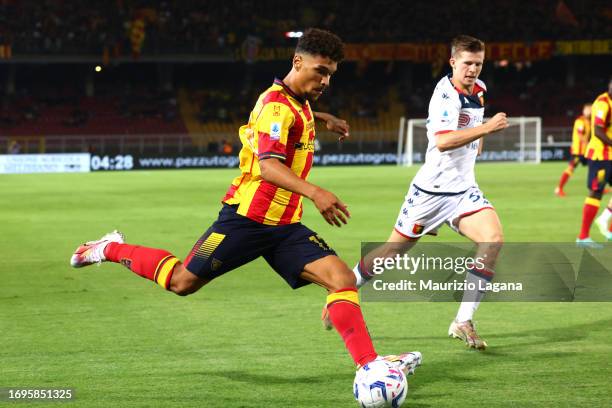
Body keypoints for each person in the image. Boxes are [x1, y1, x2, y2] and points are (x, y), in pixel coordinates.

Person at [70, 28, 421, 381]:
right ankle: (110, 248)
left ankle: (370, 366)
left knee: (342, 279)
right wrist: (316, 192)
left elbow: (295, 115)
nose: (326, 80)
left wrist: (323, 117)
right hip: (245, 220)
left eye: (331, 73)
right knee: (181, 282)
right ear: (297, 61)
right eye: (320, 71)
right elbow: (268, 166)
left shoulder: (298, 102)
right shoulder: (275, 106)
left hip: (285, 227)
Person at [324, 35, 508, 350]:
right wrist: (487, 129)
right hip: (431, 192)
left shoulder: (480, 91)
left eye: (478, 63)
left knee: (493, 240)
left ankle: (463, 321)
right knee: (392, 253)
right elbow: (443, 141)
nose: (473, 70)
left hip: (463, 191)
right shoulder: (444, 95)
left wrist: (479, 142)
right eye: (467, 63)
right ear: (453, 62)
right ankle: (342, 291)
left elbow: (473, 126)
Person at [576, 78, 612, 244]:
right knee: (596, 192)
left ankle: (605, 220)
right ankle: (583, 237)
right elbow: (598, 131)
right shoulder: (603, 103)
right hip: (601, 157)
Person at [555, 104, 591, 197]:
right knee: (570, 169)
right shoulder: (580, 121)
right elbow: (580, 135)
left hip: (587, 151)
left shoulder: (590, 122)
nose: (589, 112)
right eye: (587, 110)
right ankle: (559, 189)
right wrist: (589, 144)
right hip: (578, 152)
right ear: (583, 111)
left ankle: (597, 189)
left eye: (590, 110)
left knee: (597, 168)